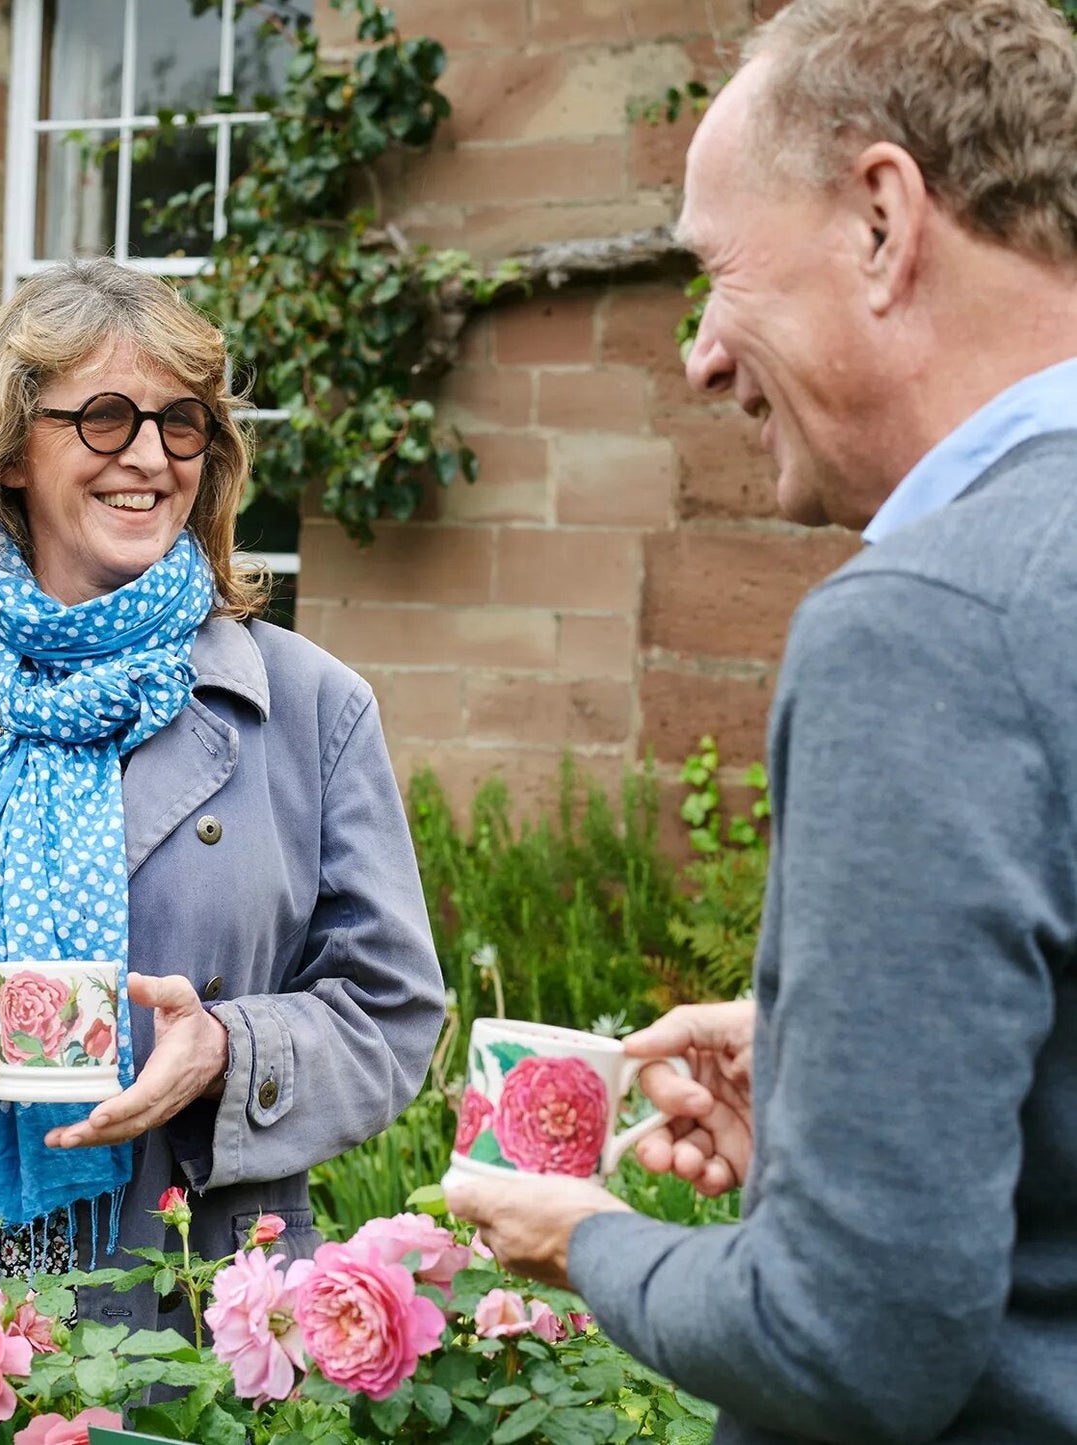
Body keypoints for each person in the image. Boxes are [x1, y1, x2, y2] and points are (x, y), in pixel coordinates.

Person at [447, 1, 1077, 1441]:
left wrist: (586, 1240)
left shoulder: (929, 622)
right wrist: (841, 1060)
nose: (700, 358)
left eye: (718, 272)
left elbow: (850, 1344)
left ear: (879, 221)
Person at [0, 258, 446, 1441]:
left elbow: (390, 1011)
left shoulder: (312, 711)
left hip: (197, 1322)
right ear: (11, 448)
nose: (150, 455)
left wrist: (228, 1051)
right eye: (104, 416)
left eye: (183, 422)